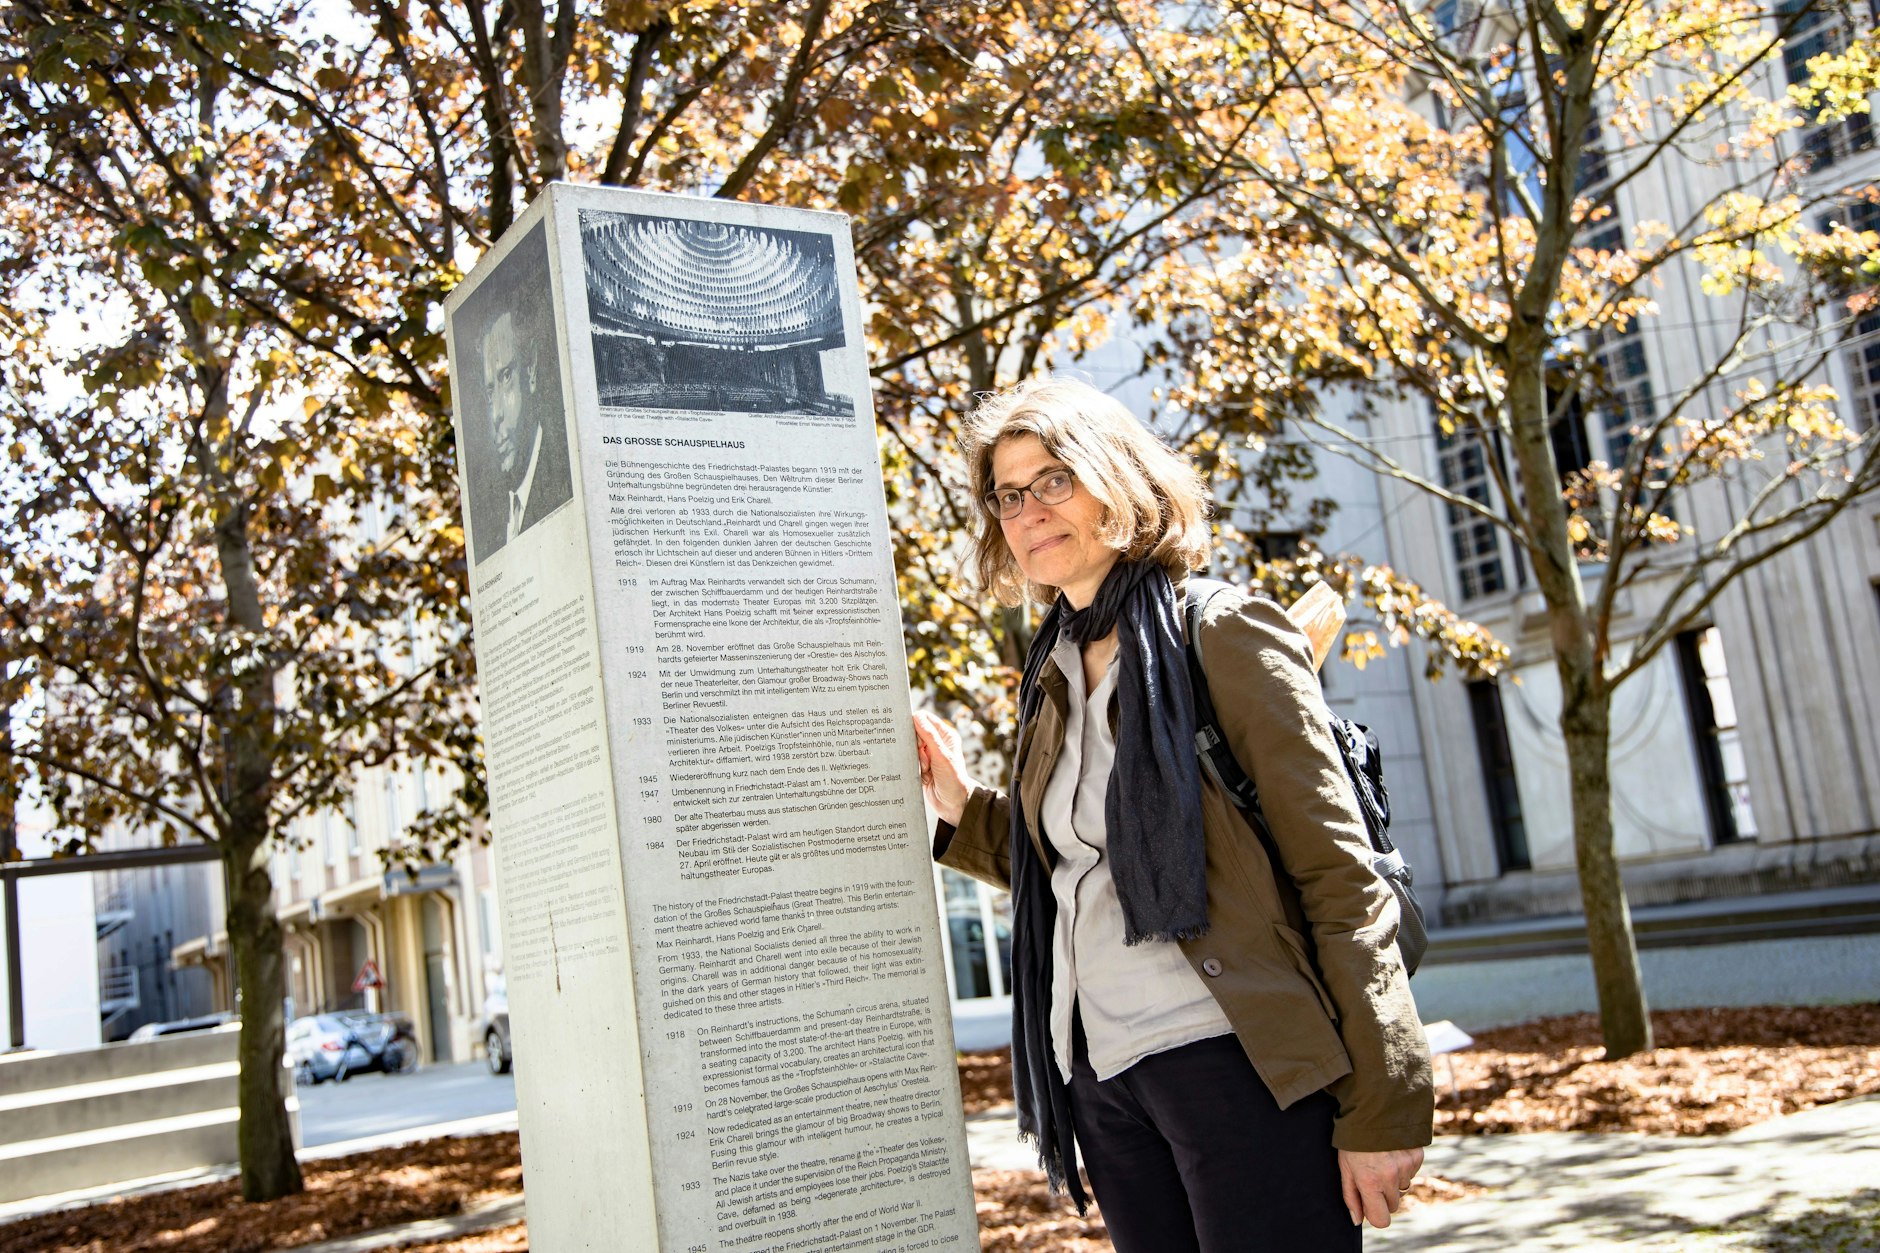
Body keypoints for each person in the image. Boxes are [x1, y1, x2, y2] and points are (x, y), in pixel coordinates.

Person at [912, 378, 1432, 1251]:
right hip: (1103, 1076)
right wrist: (963, 808)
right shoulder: (1054, 670)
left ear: (1115, 479)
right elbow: (1075, 862)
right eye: (1007, 494)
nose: (1028, 510)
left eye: (1053, 480)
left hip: (1234, 1058)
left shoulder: (1222, 633)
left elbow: (1339, 878)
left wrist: (1386, 1103)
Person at [463, 234, 573, 564]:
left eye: (506, 376)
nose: (495, 413)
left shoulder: (563, 481)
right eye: (488, 391)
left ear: (531, 371)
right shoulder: (497, 520)